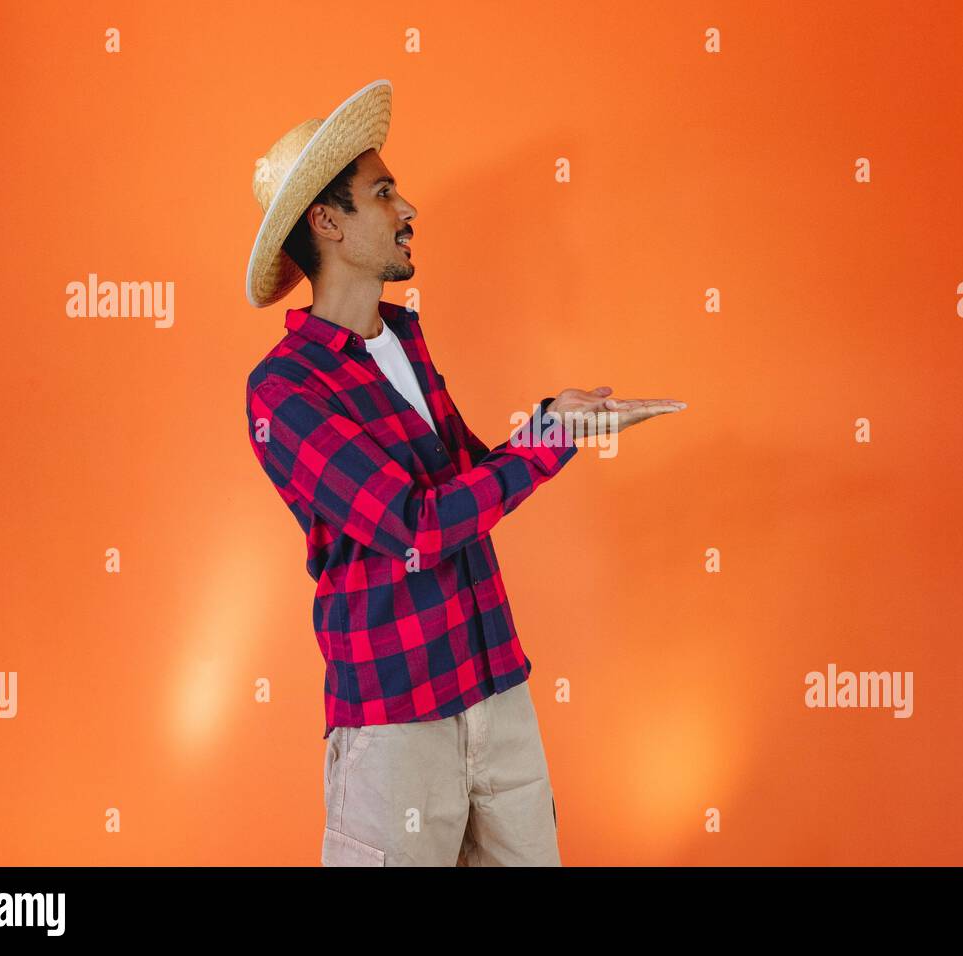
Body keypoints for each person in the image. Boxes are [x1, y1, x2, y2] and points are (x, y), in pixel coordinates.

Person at [243, 79, 686, 866]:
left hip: (496, 687)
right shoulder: (284, 390)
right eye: (384, 193)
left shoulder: (403, 339)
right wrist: (549, 439)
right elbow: (414, 522)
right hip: (395, 719)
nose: (408, 208)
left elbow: (468, 482)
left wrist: (565, 420)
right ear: (329, 221)